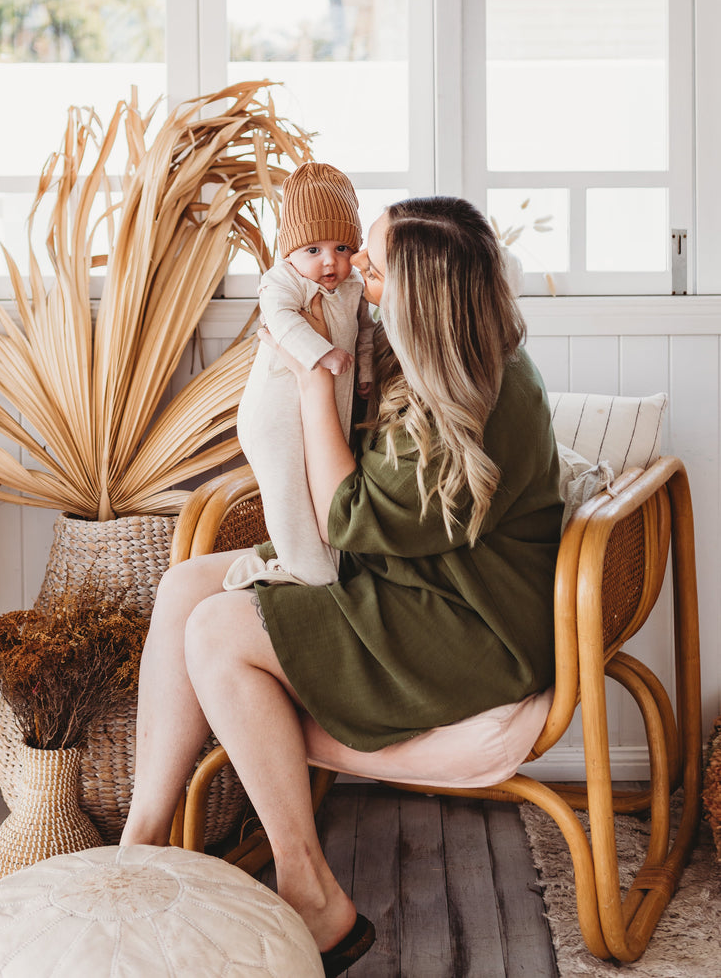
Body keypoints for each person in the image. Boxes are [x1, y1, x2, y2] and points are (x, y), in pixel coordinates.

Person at [121, 196, 563, 976]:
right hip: (416, 580)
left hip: (466, 626)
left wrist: (307, 379)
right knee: (187, 585)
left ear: (423, 299)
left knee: (215, 633)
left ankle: (311, 890)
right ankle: (143, 839)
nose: (358, 273)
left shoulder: (469, 405)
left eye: (377, 266)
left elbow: (341, 513)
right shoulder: (455, 353)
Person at [225, 161, 375, 590]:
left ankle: (322, 566)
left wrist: (363, 371)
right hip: (275, 411)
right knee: (287, 490)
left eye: (342, 248)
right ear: (289, 252)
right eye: (313, 250)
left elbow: (365, 331)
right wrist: (323, 353)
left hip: (326, 405)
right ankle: (303, 570)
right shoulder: (281, 282)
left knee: (321, 492)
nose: (330, 262)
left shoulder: (353, 288)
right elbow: (282, 323)